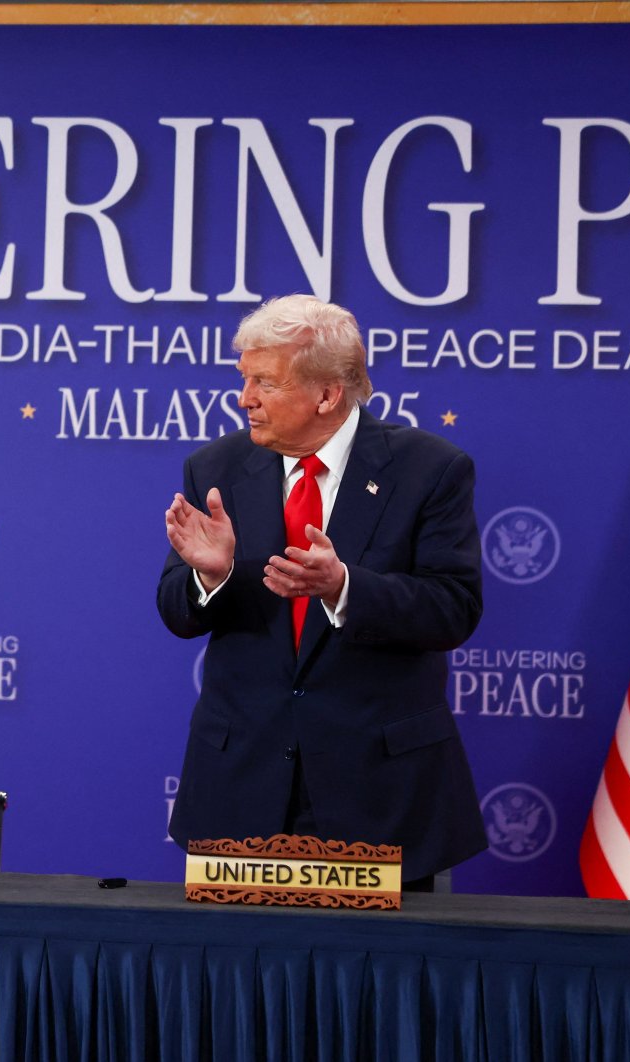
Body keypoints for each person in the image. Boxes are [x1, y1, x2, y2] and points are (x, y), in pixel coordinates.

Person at [159, 295, 486, 887]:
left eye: (266, 382)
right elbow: (176, 611)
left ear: (328, 394)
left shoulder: (429, 470)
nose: (245, 399)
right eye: (245, 378)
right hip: (242, 788)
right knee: (241, 977)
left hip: (379, 794)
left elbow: (453, 610)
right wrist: (210, 576)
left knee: (380, 978)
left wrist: (345, 587)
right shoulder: (215, 469)